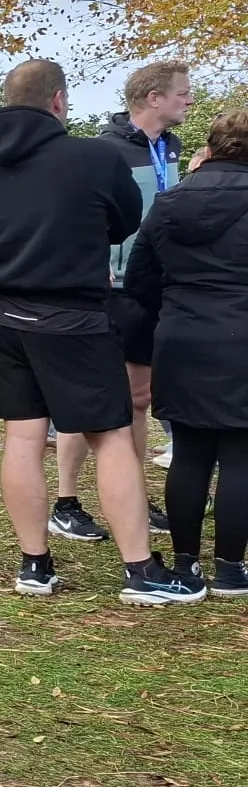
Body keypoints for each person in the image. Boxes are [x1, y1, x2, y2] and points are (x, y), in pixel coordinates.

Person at [0, 60, 196, 603]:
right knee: (111, 437)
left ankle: (35, 565)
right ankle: (141, 571)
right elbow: (124, 221)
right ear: (59, 101)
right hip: (72, 318)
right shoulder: (94, 157)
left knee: (22, 439)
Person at [53, 59, 194, 534]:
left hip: (154, 287)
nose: (189, 100)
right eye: (182, 93)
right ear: (153, 98)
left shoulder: (172, 147)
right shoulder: (104, 151)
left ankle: (135, 496)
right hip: (107, 289)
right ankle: (66, 501)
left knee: (137, 398)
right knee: (88, 396)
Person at [123, 107, 248, 597]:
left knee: (190, 453)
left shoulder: (169, 202)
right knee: (240, 455)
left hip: (182, 334)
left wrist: (173, 311)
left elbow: (139, 280)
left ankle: (185, 564)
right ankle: (232, 568)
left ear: (211, 148)